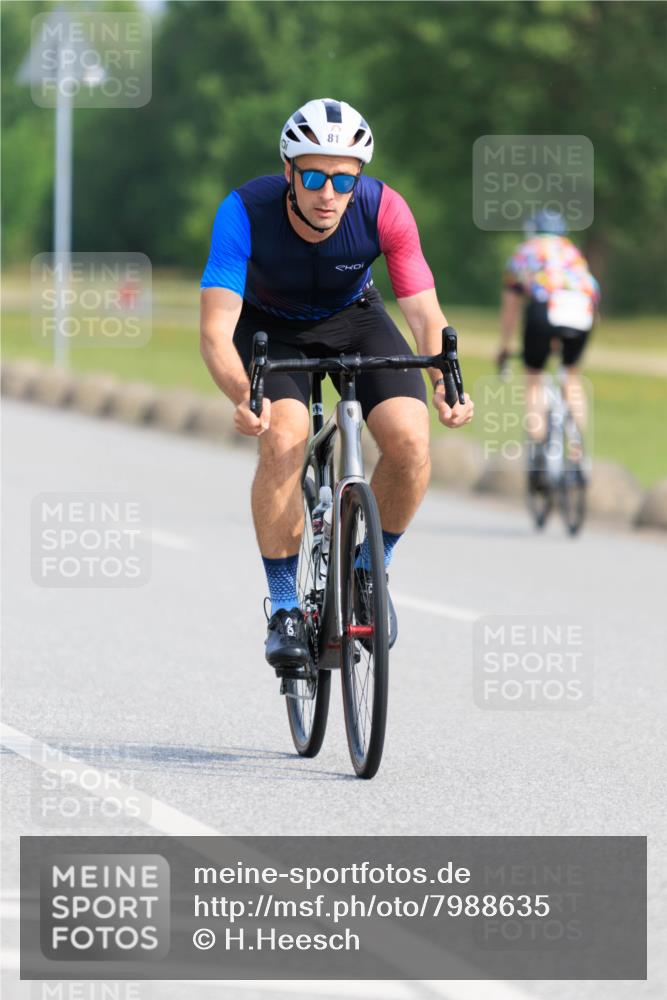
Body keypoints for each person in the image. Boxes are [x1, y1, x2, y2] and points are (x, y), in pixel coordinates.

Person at [200, 98, 473, 669]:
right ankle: (284, 606)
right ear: (289, 173)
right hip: (270, 327)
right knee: (285, 436)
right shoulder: (243, 211)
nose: (328, 193)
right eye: (315, 176)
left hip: (357, 319)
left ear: (358, 180)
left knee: (411, 439)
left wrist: (447, 380)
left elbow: (424, 312)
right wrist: (241, 395)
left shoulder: (384, 209)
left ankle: (369, 572)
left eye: (343, 179)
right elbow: (215, 331)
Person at [497, 209, 600, 487]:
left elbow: (511, 307)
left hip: (545, 307)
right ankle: (577, 454)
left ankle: (540, 456)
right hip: (582, 310)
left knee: (534, 377)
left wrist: (504, 348)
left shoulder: (525, 251)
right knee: (571, 375)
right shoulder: (572, 252)